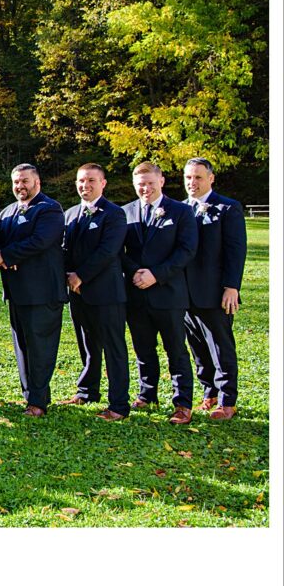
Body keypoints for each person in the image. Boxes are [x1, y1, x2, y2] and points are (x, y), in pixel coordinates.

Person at [121, 162, 198, 424]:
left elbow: (186, 250)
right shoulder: (126, 212)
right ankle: (147, 394)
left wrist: (156, 275)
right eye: (140, 184)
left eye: (150, 183)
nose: (145, 189)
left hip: (168, 293)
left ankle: (182, 403)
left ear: (161, 181)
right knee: (143, 348)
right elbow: (119, 251)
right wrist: (135, 272)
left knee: (175, 349)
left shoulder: (181, 211)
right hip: (136, 292)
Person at [0, 164, 66, 417]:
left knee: (41, 347)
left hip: (43, 292)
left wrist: (8, 255)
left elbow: (40, 241)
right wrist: (1, 255)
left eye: (25, 181)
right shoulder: (8, 212)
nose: (20, 186)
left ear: (37, 182)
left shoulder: (49, 209)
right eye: (16, 182)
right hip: (16, 292)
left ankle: (38, 402)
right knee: (22, 347)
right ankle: (30, 396)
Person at [58, 163, 130, 421]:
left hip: (106, 293)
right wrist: (67, 275)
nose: (84, 185)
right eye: (81, 181)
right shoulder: (70, 214)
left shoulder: (114, 214)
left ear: (103, 183)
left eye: (91, 180)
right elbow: (63, 249)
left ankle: (119, 404)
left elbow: (108, 251)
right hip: (78, 293)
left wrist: (80, 276)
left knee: (113, 348)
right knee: (87, 345)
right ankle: (88, 391)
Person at [183, 157, 247, 421]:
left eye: (198, 177)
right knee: (197, 347)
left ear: (211, 178)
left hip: (215, 293)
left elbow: (236, 251)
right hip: (185, 293)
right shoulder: (181, 209)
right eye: (188, 177)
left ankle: (226, 400)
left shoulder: (228, 208)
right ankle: (208, 393)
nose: (192, 182)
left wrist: (232, 287)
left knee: (220, 346)